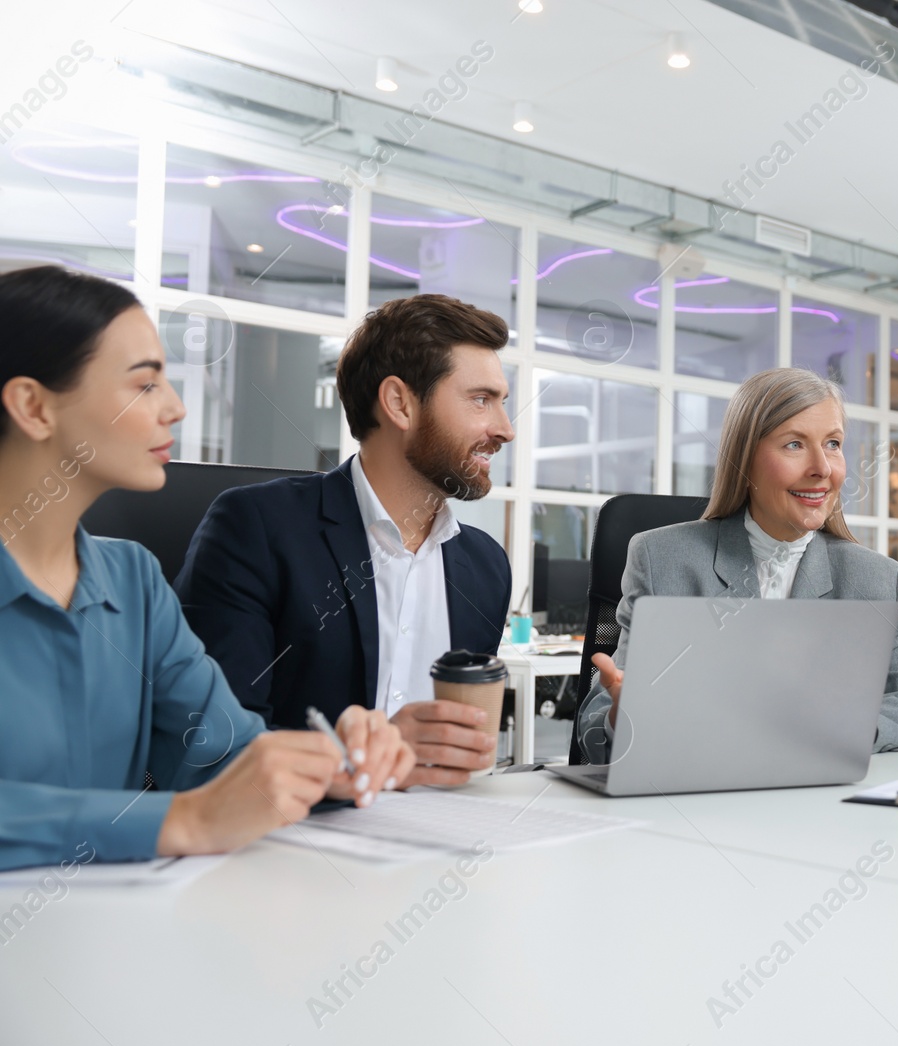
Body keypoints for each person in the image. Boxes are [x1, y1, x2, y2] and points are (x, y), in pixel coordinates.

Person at [0, 266, 414, 871]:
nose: (175, 408)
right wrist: (184, 821)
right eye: (144, 385)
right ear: (34, 406)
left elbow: (221, 753)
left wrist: (328, 762)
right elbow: (199, 808)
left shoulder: (132, 580)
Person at [174, 294, 515, 788]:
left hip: (439, 838)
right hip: (290, 844)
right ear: (400, 403)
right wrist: (355, 759)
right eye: (481, 400)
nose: (504, 429)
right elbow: (208, 745)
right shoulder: (257, 528)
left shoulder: (486, 567)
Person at [574, 367, 898, 763]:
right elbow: (596, 730)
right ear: (744, 459)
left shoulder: (877, 579)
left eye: (833, 443)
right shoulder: (663, 558)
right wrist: (623, 715)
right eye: (794, 445)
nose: (822, 467)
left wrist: (839, 727)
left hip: (824, 804)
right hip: (701, 796)